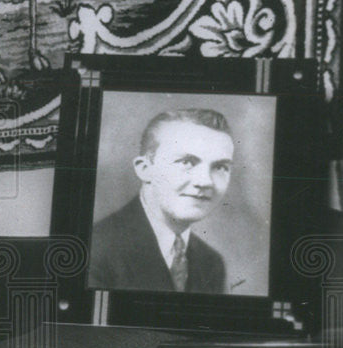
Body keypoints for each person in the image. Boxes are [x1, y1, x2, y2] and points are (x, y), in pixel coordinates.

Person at [88, 109, 234, 293]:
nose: (205, 181)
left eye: (220, 167)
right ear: (145, 169)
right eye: (187, 162)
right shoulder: (93, 250)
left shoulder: (212, 263)